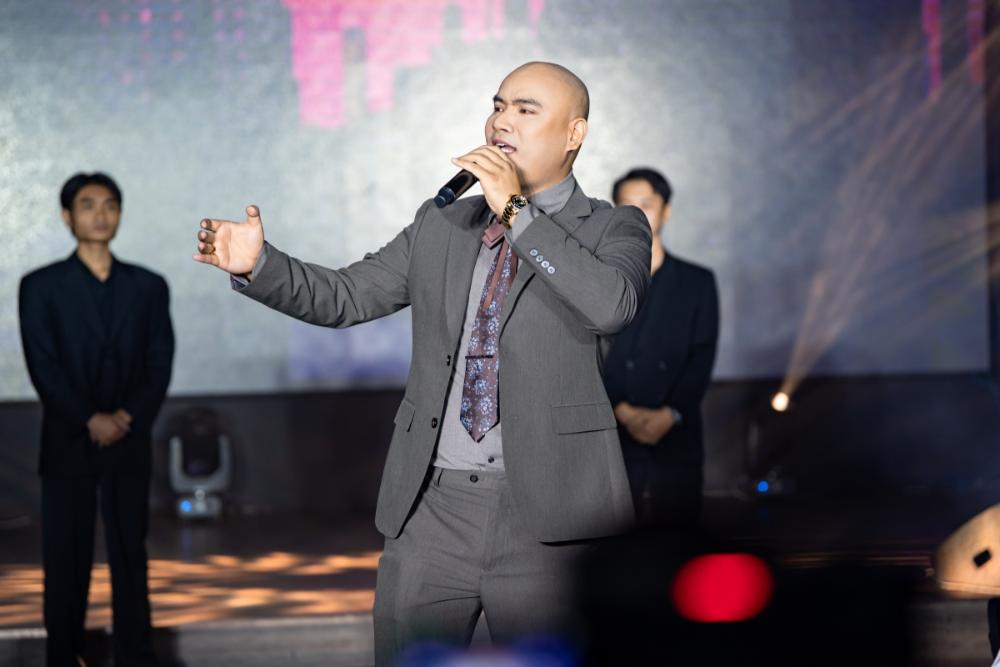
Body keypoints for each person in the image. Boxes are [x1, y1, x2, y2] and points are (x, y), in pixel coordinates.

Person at [193, 62, 650, 663]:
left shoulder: (614, 226)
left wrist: (517, 213)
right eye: (498, 105)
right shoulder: (442, 223)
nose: (502, 121)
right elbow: (347, 296)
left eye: (525, 109)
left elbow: (611, 306)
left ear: (574, 133)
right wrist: (260, 265)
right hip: (432, 509)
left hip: (553, 516)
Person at [19, 173, 174, 667]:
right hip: (68, 440)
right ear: (67, 216)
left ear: (120, 214)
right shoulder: (40, 286)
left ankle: (136, 655)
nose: (100, 214)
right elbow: (43, 366)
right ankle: (63, 656)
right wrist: (90, 418)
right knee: (66, 557)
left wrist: (125, 417)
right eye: (87, 205)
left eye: (109, 205)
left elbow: (159, 361)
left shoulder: (148, 286)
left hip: (129, 439)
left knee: (130, 553)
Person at [603, 167, 719, 527]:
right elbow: (587, 350)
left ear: (665, 211)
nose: (636, 213)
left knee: (677, 538)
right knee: (613, 541)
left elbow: (702, 358)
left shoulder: (697, 282)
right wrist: (621, 410)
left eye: (646, 204)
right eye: (626, 205)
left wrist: (670, 414)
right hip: (612, 433)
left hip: (676, 435)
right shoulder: (599, 278)